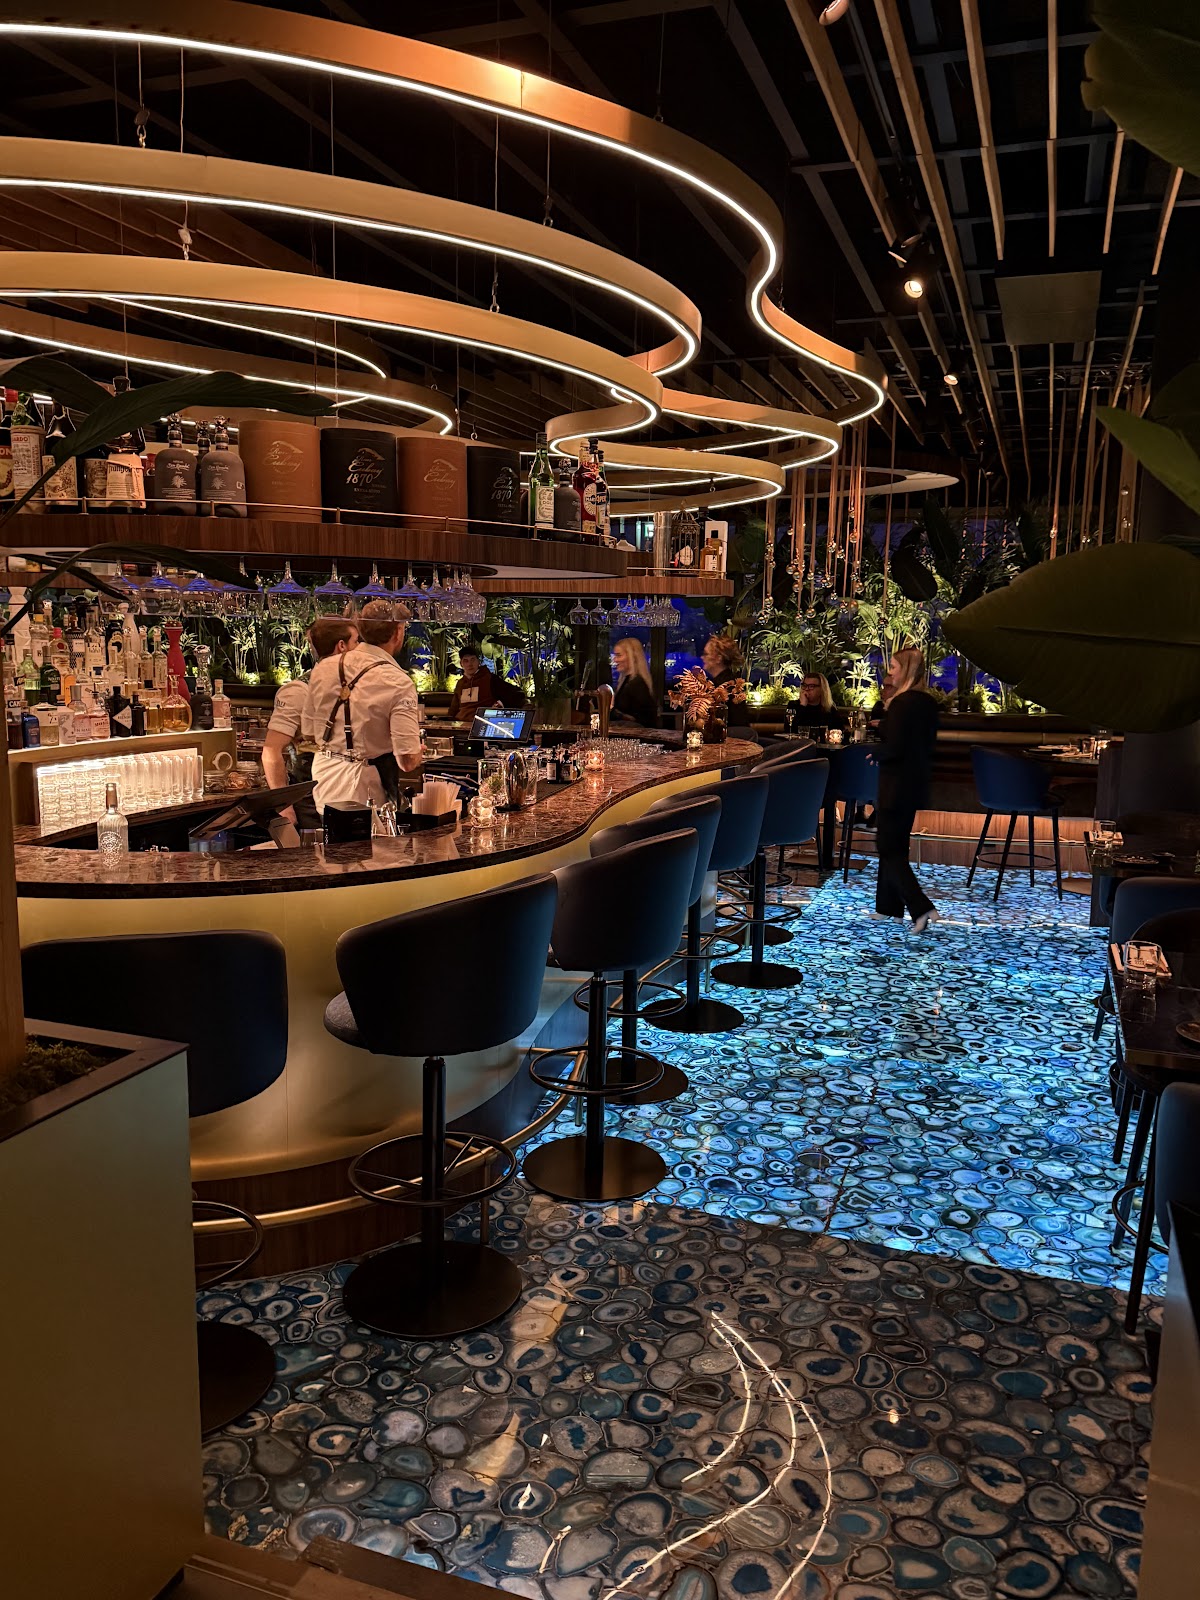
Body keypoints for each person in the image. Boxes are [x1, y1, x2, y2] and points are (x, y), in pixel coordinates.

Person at [307, 598, 423, 812]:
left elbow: (308, 730)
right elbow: (406, 761)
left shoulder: (323, 668)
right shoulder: (397, 681)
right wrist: (418, 752)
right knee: (368, 835)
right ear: (398, 632)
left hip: (323, 776)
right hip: (363, 786)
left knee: (329, 833)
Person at [262, 616, 359, 824]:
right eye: (356, 641)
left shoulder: (354, 687)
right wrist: (284, 807)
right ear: (341, 646)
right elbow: (271, 750)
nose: (360, 648)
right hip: (309, 800)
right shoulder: (298, 691)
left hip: (347, 792)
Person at [872, 646, 940, 933]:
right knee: (896, 846)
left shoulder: (902, 703)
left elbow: (895, 747)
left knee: (888, 848)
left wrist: (875, 752)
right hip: (915, 784)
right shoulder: (928, 702)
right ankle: (888, 908)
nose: (890, 673)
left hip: (895, 785)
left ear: (907, 671)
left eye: (894, 668)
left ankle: (921, 907)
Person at [701, 634, 752, 730]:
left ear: (718, 658)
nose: (702, 657)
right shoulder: (728, 681)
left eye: (706, 654)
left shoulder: (725, 686)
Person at [446, 646, 500, 724]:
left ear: (478, 662)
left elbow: (512, 695)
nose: (470, 664)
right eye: (466, 661)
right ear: (461, 664)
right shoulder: (460, 683)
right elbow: (453, 709)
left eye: (472, 660)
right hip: (461, 723)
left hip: (481, 723)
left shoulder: (490, 679)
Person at [611, 638, 657, 727]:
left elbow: (641, 721)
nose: (615, 660)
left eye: (619, 655)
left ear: (632, 657)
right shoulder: (627, 681)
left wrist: (612, 711)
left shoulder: (637, 684)